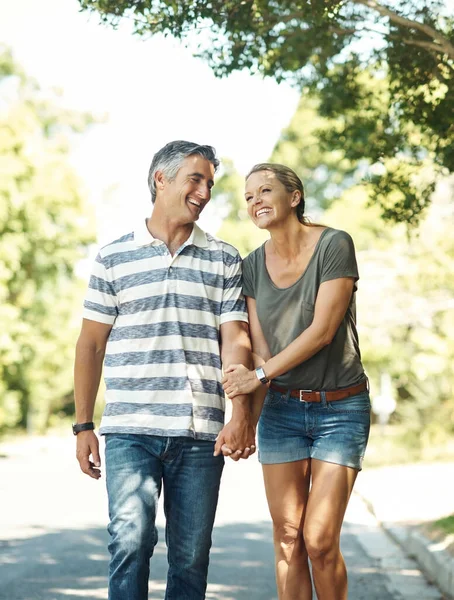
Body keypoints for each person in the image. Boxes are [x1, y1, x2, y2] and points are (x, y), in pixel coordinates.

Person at [74, 140, 255, 600]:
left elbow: (234, 338)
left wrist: (239, 415)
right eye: (195, 179)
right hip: (130, 428)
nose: (205, 191)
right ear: (161, 179)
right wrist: (83, 426)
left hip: (199, 431)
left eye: (210, 183)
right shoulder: (114, 257)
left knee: (191, 557)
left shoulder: (223, 258)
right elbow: (91, 344)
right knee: (130, 543)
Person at [222, 163, 370, 600]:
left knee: (319, 539)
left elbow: (323, 331)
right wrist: (246, 417)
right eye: (248, 197)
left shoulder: (334, 244)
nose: (256, 202)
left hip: (340, 408)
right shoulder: (249, 266)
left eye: (265, 191)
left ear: (295, 197)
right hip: (283, 411)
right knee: (288, 538)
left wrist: (259, 375)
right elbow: (260, 350)